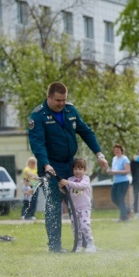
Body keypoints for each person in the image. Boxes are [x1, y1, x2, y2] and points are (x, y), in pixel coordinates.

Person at [28, 82, 108, 252]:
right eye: (58, 100)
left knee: (78, 205)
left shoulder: (70, 111)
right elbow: (37, 144)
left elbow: (86, 132)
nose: (61, 104)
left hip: (70, 165)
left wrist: (99, 154)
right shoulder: (38, 116)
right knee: (54, 206)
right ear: (48, 97)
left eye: (64, 100)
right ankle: (55, 246)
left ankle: (85, 244)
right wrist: (45, 164)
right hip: (51, 167)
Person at [59, 157, 96, 252]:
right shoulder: (71, 179)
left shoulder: (85, 179)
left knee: (85, 225)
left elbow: (82, 186)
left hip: (84, 208)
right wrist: (61, 187)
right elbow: (65, 191)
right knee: (76, 228)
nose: (77, 171)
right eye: (75, 169)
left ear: (84, 170)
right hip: (74, 209)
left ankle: (90, 244)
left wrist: (68, 182)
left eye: (80, 169)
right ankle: (78, 245)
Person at [109, 143, 131, 222]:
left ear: (121, 150)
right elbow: (113, 169)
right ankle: (127, 210)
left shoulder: (125, 159)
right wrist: (110, 172)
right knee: (114, 198)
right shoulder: (114, 159)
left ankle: (123, 217)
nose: (116, 151)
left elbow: (127, 171)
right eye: (115, 150)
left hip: (123, 181)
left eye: (118, 150)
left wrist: (116, 171)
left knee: (120, 198)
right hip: (116, 181)